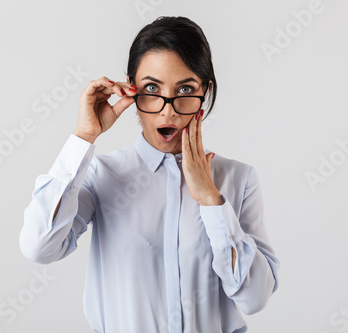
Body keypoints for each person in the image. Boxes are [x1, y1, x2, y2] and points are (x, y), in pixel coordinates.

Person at [20, 16, 279, 333]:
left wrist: (211, 201)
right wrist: (83, 137)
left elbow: (255, 298)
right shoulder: (102, 175)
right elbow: (38, 247)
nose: (167, 110)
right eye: (152, 88)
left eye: (185, 89)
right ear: (131, 89)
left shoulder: (238, 179)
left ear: (205, 91)